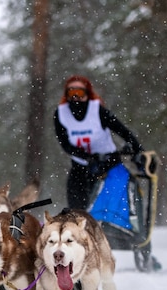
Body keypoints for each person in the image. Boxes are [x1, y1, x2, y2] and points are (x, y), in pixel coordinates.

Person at [54, 75, 145, 210]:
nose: (76, 97)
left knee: (111, 206)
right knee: (77, 208)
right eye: (71, 93)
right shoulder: (61, 114)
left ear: (87, 94)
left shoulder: (98, 111)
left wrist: (138, 150)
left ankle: (114, 227)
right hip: (81, 166)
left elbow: (123, 131)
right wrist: (87, 157)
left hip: (108, 163)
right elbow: (65, 144)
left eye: (79, 92)